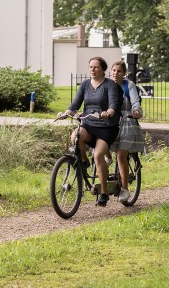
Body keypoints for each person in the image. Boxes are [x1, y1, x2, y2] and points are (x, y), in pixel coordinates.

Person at [58, 56, 123, 206]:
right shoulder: (85, 85)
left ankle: (104, 193)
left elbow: (113, 103)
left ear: (103, 70)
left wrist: (109, 112)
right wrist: (66, 113)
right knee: (75, 136)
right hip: (89, 124)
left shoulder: (110, 85)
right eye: (91, 67)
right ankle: (84, 162)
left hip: (107, 127)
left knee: (99, 155)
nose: (92, 70)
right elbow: (75, 103)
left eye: (96, 67)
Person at [109, 60, 145, 204]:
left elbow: (135, 101)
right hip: (112, 123)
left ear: (124, 73)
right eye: (114, 70)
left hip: (127, 122)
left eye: (119, 71)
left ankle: (124, 188)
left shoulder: (128, 85)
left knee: (121, 154)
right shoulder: (107, 85)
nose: (115, 73)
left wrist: (136, 111)